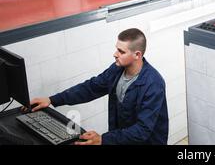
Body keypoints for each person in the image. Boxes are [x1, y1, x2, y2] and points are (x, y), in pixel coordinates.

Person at [29, 28, 169, 145]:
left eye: (121, 51)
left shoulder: (153, 84)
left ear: (137, 55)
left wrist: (103, 139)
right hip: (120, 140)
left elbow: (142, 130)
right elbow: (90, 88)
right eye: (116, 49)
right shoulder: (116, 70)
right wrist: (52, 100)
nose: (115, 54)